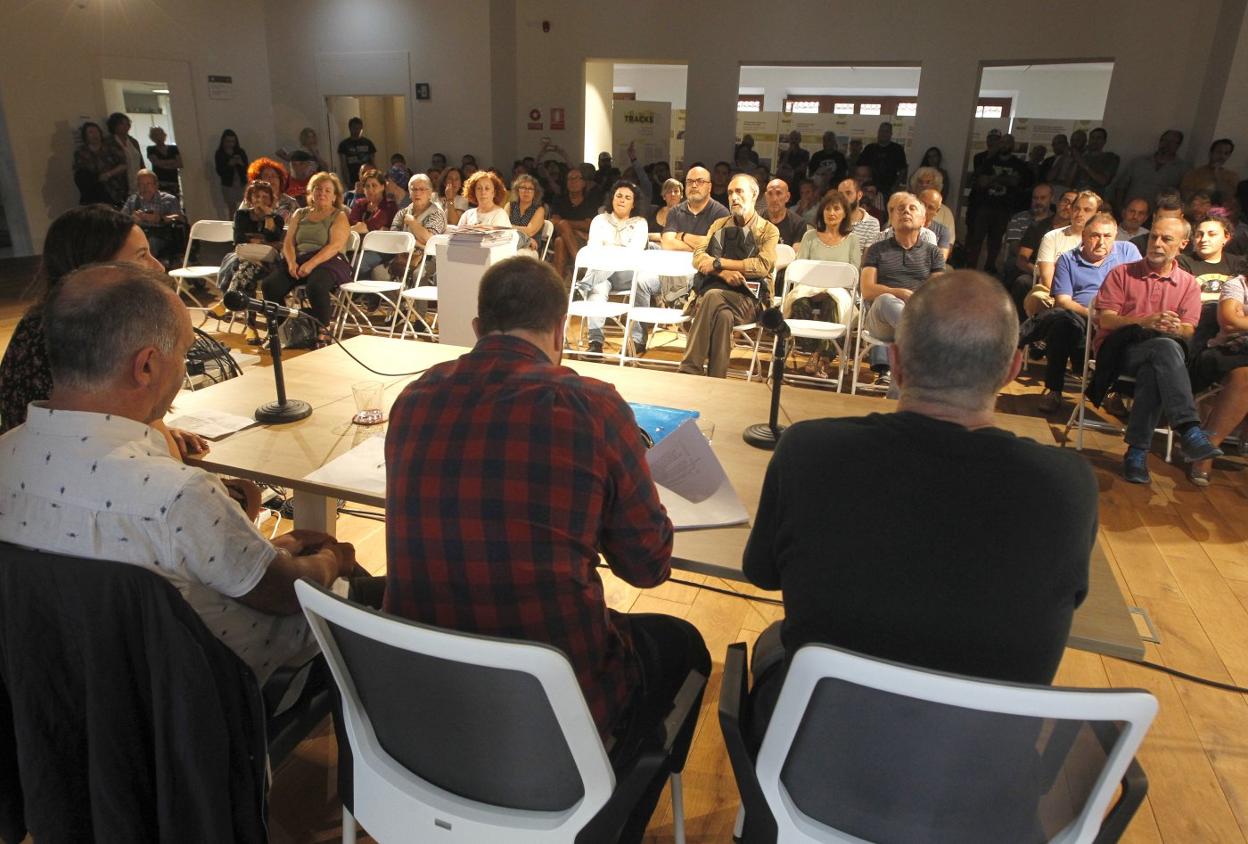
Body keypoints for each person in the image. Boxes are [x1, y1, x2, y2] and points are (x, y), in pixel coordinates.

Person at [383, 255, 709, 844]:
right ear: (561, 330)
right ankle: (608, 823)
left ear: (479, 327)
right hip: (549, 717)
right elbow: (650, 565)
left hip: (423, 700)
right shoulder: (594, 406)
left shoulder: (413, 399)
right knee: (684, 644)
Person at [742, 271, 1095, 740]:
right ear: (1013, 369)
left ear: (896, 362)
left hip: (817, 759)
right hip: (983, 778)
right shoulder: (1067, 485)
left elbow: (762, 572)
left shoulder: (808, 450)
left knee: (772, 642)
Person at [0, 262, 356, 686]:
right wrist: (334, 558)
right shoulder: (175, 496)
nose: (184, 368)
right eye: (184, 353)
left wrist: (266, 548)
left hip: (69, 689)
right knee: (364, 590)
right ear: (146, 366)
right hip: (210, 694)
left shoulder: (7, 455)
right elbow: (283, 594)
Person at [1092, 217, 1221, 483]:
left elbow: (1188, 330)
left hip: (1162, 358)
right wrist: (1145, 321)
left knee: (1159, 360)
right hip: (1121, 352)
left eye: (1166, 239)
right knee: (1164, 350)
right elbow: (1106, 320)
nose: (1157, 243)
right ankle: (1188, 429)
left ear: (1183, 244)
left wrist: (1175, 328)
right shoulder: (1122, 273)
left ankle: (1137, 453)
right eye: (1154, 237)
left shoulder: (1188, 284)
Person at [1031, 213, 1141, 413]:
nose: (1101, 242)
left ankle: (1115, 393)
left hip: (1120, 318)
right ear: (1084, 236)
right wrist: (1094, 316)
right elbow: (1063, 300)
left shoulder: (1128, 252)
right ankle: (1054, 389)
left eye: (1107, 236)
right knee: (1063, 324)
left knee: (1132, 333)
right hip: (1081, 316)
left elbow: (1142, 289)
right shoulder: (1068, 259)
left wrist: (1111, 318)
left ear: (1116, 236)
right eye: (1095, 235)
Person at [679, 175, 778, 378]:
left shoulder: (768, 230)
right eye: (730, 192)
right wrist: (723, 273)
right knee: (722, 315)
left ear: (754, 194)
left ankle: (690, 368)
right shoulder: (719, 225)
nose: (734, 197)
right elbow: (698, 256)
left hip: (749, 297)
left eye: (739, 191)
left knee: (713, 297)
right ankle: (717, 379)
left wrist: (720, 262)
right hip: (717, 294)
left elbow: (762, 266)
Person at [860, 192, 946, 387]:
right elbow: (867, 290)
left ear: (924, 220)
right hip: (881, 321)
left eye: (912, 208)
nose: (905, 211)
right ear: (892, 219)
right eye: (900, 209)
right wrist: (900, 293)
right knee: (886, 299)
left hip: (916, 317)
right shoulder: (877, 249)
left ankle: (899, 388)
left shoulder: (933, 253)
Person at [260, 171, 352, 340]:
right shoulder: (300, 213)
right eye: (318, 189)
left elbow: (335, 246)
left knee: (315, 286)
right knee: (269, 286)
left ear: (334, 196)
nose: (322, 193)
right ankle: (281, 330)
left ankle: (323, 331)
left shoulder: (338, 215)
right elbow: (288, 242)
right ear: (311, 192)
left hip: (328, 261)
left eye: (327, 190)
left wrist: (311, 263)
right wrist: (291, 262)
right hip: (300, 259)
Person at [574, 180, 658, 355]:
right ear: (612, 199)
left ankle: (582, 286)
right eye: (619, 196)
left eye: (628, 198)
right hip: (602, 274)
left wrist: (610, 251)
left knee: (615, 272)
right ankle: (595, 342)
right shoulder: (599, 220)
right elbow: (593, 249)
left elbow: (634, 253)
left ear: (633, 203)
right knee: (598, 286)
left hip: (628, 274)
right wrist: (616, 251)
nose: (622, 200)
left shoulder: (640, 222)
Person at [785, 192, 861, 378]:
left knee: (832, 304)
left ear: (844, 214)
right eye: (827, 208)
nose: (831, 213)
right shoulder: (810, 236)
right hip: (809, 289)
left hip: (838, 292)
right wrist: (815, 289)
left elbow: (854, 274)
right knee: (799, 303)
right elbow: (800, 268)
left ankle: (821, 357)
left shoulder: (852, 240)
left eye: (836, 208)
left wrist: (829, 288)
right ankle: (813, 352)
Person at [1189, 272, 1248, 485]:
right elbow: (1230, 323)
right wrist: (1237, 320)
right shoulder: (1237, 285)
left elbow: (1239, 321)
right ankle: (1205, 447)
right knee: (1245, 375)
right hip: (1226, 351)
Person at [1025, 190, 1101, 316]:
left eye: (1087, 210)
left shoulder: (1101, 241)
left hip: (1087, 294)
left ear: (1097, 214)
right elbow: (1046, 276)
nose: (1080, 213)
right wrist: (1066, 299)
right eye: (1077, 208)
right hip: (1052, 292)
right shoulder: (1052, 237)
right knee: (1037, 298)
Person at [965, 133, 1030, 272]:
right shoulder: (988, 161)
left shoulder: (1018, 164)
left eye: (1008, 143)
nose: (1004, 145)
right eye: (1002, 142)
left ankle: (990, 267)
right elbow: (982, 182)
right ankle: (970, 267)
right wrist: (1003, 178)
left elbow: (1015, 181)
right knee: (977, 238)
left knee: (995, 241)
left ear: (1012, 146)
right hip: (984, 205)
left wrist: (992, 179)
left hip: (1004, 207)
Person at [121, 169, 184, 266]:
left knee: (148, 244)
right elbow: (120, 220)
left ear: (156, 185)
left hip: (162, 234)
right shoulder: (132, 201)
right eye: (141, 184)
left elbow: (180, 218)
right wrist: (132, 219)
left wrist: (160, 218)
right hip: (139, 233)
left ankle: (146, 272)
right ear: (138, 186)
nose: (145, 188)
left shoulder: (168, 199)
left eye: (148, 184)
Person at [1112, 130, 1188, 209]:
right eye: (1165, 140)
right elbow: (1121, 186)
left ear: (1178, 145)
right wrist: (1120, 208)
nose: (1167, 144)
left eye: (1172, 142)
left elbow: (1183, 196)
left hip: (1158, 215)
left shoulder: (1182, 169)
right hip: (1131, 212)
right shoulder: (1139, 162)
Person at [549, 164, 601, 277]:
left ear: (584, 183)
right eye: (569, 179)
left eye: (576, 178)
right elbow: (555, 222)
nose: (572, 182)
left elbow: (589, 225)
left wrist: (567, 225)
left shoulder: (590, 201)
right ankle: (581, 265)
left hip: (583, 240)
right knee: (561, 232)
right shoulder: (559, 199)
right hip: (575, 235)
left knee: (560, 241)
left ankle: (558, 287)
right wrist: (575, 229)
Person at [346, 168, 399, 278]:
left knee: (358, 264)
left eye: (374, 185)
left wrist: (361, 227)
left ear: (383, 187)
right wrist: (360, 228)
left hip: (382, 248)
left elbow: (369, 226)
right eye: (367, 186)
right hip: (358, 247)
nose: (370, 190)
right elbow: (351, 223)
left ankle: (368, 295)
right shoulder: (360, 204)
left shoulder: (389, 206)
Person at [1179, 213, 1248, 295]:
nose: (1204, 239)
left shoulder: (1239, 263)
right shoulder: (1182, 261)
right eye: (1199, 235)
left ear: (1226, 237)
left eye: (1212, 234)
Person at [1002, 183, 1054, 285]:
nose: (1038, 202)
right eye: (1035, 198)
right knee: (1013, 266)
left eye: (1043, 198)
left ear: (1051, 198)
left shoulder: (1056, 220)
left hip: (1047, 262)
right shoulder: (1019, 218)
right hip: (1022, 259)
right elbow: (1013, 246)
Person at [72, 121, 127, 206]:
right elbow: (79, 172)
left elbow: (123, 164)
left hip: (113, 189)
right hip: (93, 193)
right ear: (85, 136)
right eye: (90, 132)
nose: (94, 135)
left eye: (96, 131)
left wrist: (109, 174)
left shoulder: (111, 147)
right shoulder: (81, 152)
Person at [857, 121, 908, 196]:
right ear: (878, 132)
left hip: (888, 188)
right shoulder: (870, 148)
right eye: (881, 131)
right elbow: (860, 167)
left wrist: (895, 186)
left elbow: (903, 169)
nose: (883, 133)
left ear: (891, 134)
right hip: (868, 187)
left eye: (886, 131)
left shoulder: (897, 149)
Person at [837, 177, 881, 262]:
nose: (844, 198)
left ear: (859, 195)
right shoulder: (833, 219)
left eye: (848, 193)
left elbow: (867, 260)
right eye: (840, 194)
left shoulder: (872, 223)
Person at [1180, 138, 1237, 203]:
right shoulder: (1194, 173)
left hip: (1221, 211)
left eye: (1226, 153)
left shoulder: (1232, 176)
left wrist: (1218, 176)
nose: (1222, 156)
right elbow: (1185, 196)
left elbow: (1229, 197)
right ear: (1211, 153)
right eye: (1219, 152)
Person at [246, 156, 300, 220]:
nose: (270, 179)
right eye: (266, 176)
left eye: (274, 176)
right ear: (258, 180)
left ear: (280, 180)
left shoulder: (291, 203)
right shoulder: (251, 199)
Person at [761, 178, 809, 247]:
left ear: (787, 197)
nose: (774, 199)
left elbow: (795, 255)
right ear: (766, 196)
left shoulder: (798, 223)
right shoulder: (757, 219)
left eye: (778, 193)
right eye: (770, 193)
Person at [106, 112, 145, 197]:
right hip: (119, 183)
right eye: (122, 124)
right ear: (114, 125)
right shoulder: (108, 142)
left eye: (127, 124)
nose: (126, 126)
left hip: (137, 180)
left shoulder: (133, 141)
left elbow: (140, 161)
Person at [1070, 127, 1119, 193]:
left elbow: (1103, 181)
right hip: (1075, 193)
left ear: (1104, 141)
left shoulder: (1111, 157)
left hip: (1093, 197)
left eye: (1098, 138)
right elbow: (1070, 181)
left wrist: (1085, 165)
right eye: (1092, 138)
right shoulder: (1083, 156)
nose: (1094, 141)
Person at [508, 173, 547, 252]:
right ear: (517, 190)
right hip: (509, 242)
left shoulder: (539, 210)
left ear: (535, 193)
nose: (526, 191)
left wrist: (509, 227)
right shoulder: (510, 205)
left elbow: (529, 232)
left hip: (530, 247)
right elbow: (500, 226)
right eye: (523, 188)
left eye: (530, 189)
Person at [214, 129, 248, 215]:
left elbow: (247, 169)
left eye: (233, 141)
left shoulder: (240, 152)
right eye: (228, 141)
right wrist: (229, 164)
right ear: (223, 141)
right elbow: (219, 171)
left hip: (241, 183)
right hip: (228, 185)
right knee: (231, 208)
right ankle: (233, 224)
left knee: (245, 206)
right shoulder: (220, 154)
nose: (230, 144)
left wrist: (240, 163)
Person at [336, 117, 376, 185]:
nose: (357, 130)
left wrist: (375, 176)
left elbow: (373, 162)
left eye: (359, 128)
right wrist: (347, 180)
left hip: (367, 176)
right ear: (350, 128)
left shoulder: (368, 143)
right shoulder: (344, 144)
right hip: (352, 177)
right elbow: (343, 165)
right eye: (355, 128)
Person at [917, 189, 953, 261]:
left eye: (930, 208)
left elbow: (940, 260)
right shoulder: (901, 225)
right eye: (922, 204)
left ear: (937, 211)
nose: (925, 210)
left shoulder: (943, 231)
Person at [145, 126, 182, 197]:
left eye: (160, 134)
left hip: (173, 181)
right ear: (152, 138)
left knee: (175, 202)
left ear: (164, 135)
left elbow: (179, 164)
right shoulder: (151, 149)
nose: (159, 137)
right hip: (159, 182)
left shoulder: (173, 148)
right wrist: (172, 161)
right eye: (156, 135)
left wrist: (163, 164)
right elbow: (156, 163)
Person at [648, 177, 683, 242]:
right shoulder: (652, 210)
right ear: (664, 196)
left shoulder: (687, 216)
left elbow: (679, 237)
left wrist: (649, 236)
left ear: (681, 195)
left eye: (676, 191)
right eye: (669, 191)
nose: (672, 194)